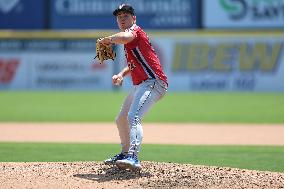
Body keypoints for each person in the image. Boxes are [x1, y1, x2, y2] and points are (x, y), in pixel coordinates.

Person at [99, 4, 168, 171]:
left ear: (134, 18)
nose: (122, 18)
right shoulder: (129, 42)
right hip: (141, 85)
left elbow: (123, 38)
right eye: (119, 16)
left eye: (126, 15)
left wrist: (108, 39)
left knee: (133, 117)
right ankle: (124, 153)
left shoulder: (135, 32)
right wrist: (121, 75)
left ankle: (133, 157)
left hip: (154, 82)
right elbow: (133, 65)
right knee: (121, 118)